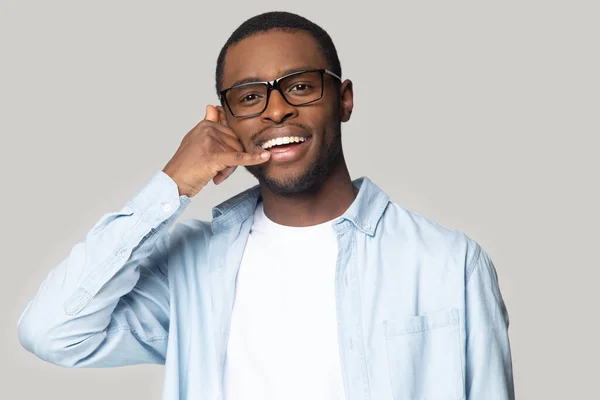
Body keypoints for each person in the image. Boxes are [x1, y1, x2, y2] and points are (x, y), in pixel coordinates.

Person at [17, 11, 515, 400]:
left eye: (300, 86)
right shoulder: (193, 269)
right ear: (226, 119)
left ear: (343, 99)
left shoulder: (449, 263)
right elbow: (53, 331)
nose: (277, 109)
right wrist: (172, 186)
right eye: (250, 96)